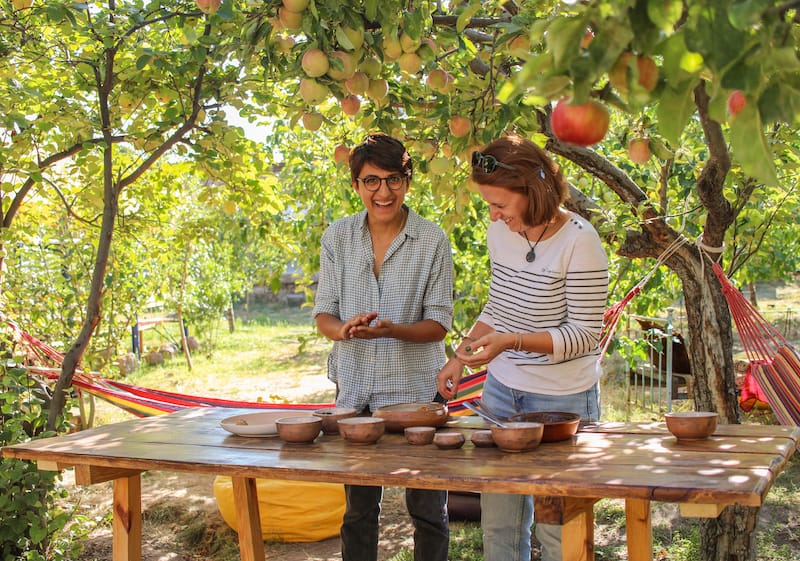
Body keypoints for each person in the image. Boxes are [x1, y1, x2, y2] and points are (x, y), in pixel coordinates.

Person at [436, 133, 609, 561]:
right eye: (489, 206)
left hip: (561, 401)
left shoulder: (580, 240)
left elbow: (586, 334)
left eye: (500, 205)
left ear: (532, 191)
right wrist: (462, 356)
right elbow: (501, 303)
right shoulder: (502, 234)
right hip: (501, 393)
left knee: (558, 531)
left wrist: (511, 342)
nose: (494, 217)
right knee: (500, 528)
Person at [313, 133, 453, 561]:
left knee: (427, 508)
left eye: (393, 180)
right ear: (356, 185)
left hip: (415, 393)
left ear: (407, 182)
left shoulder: (432, 240)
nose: (383, 192)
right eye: (371, 181)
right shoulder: (337, 237)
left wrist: (392, 330)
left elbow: (439, 324)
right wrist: (344, 331)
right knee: (358, 510)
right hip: (354, 392)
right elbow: (324, 315)